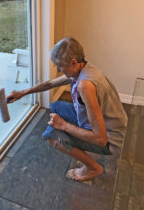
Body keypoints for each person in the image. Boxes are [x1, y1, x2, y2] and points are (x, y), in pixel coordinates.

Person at [7, 37, 128, 181]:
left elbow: (100, 139)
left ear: (73, 63)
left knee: (52, 135)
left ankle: (93, 168)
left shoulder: (85, 85)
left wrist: (64, 126)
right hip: (109, 123)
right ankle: (76, 138)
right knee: (56, 106)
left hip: (111, 138)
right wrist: (23, 93)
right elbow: (50, 84)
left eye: (60, 66)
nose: (58, 69)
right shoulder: (84, 68)